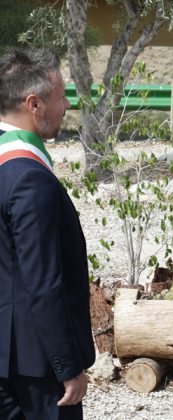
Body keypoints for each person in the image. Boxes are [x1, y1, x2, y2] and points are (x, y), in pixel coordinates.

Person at [0, 48, 95, 419]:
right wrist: (66, 366)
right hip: (33, 368)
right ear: (34, 104)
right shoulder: (28, 177)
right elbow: (43, 282)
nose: (67, 104)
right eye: (61, 96)